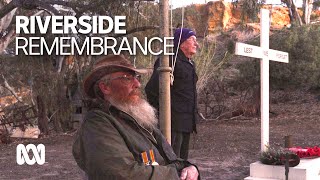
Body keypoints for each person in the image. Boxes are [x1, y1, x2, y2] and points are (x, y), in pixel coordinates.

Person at [72, 55, 199, 180]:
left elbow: (169, 159)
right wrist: (177, 174)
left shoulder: (137, 117)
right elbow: (122, 174)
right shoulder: (97, 124)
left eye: (136, 77)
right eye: (127, 78)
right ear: (105, 87)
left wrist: (189, 168)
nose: (137, 84)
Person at [145, 28, 199, 160]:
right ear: (181, 43)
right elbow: (151, 89)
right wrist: (163, 115)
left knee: (182, 160)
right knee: (171, 160)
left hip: (187, 122)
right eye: (192, 39)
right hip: (173, 123)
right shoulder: (168, 60)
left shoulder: (190, 63)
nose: (196, 44)